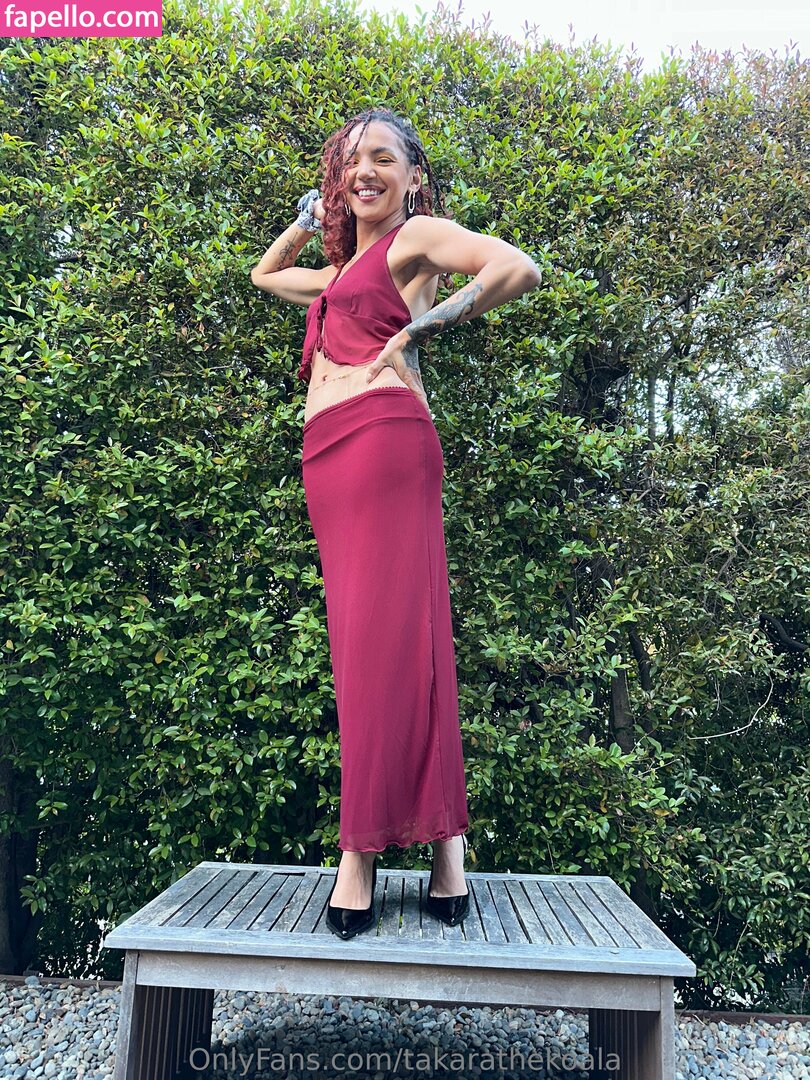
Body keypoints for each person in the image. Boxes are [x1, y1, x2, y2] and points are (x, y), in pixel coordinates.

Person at [251, 107, 542, 939]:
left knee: (388, 644)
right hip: (329, 458)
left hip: (385, 440)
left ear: (413, 174)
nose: (364, 171)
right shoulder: (341, 269)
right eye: (351, 160)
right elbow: (265, 277)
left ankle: (361, 855)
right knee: (377, 645)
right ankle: (448, 848)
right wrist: (306, 221)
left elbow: (517, 267)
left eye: (383, 157)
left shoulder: (415, 238)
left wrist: (424, 324)